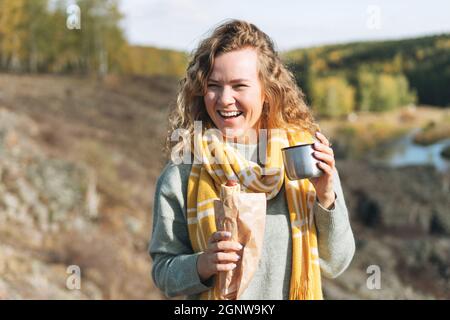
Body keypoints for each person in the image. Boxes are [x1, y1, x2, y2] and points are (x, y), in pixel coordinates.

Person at [149, 19, 355, 300]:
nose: (224, 99)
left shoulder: (303, 156)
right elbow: (164, 273)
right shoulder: (182, 171)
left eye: (239, 86)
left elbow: (337, 263)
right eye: (214, 85)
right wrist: (202, 264)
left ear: (266, 90)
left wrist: (326, 197)